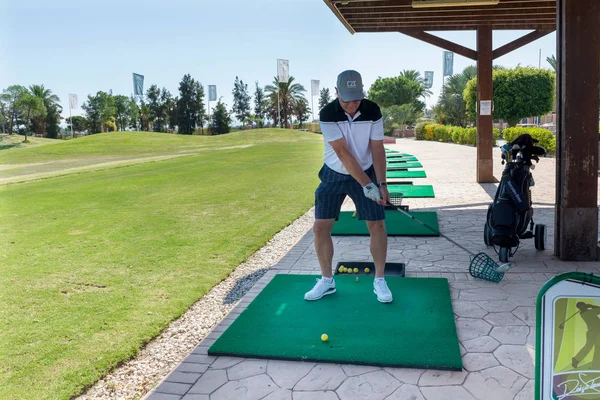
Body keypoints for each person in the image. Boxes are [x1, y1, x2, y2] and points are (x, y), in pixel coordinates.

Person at [304, 70, 392, 303]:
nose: (353, 105)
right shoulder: (327, 113)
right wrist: (367, 185)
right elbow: (342, 152)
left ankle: (380, 280)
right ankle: (326, 281)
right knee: (320, 227)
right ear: (336, 93)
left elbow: (377, 148)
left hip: (367, 170)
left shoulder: (372, 110)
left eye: (356, 99)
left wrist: (381, 183)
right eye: (347, 100)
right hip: (334, 174)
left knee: (377, 224)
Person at [572, 301, 600, 369]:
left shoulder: (583, 313)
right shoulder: (589, 312)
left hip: (593, 332)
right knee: (596, 348)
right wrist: (592, 306)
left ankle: (576, 360)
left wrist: (589, 307)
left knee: (591, 347)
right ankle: (595, 366)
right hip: (595, 332)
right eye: (584, 305)